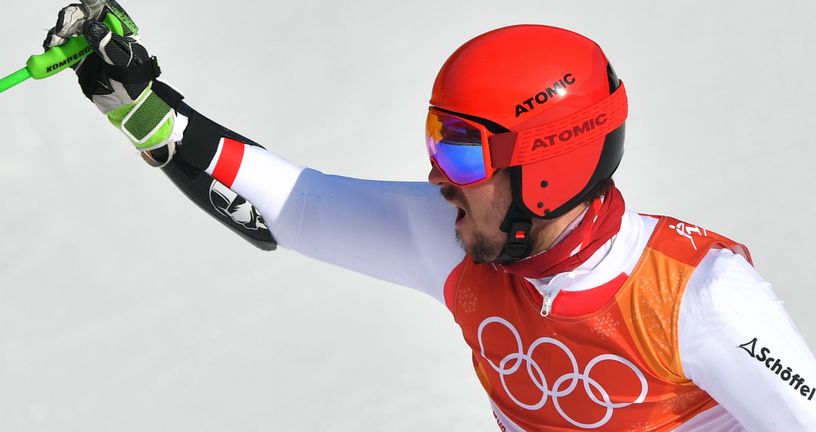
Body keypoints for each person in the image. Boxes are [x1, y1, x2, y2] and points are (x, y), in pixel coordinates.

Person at [43, 1, 816, 431]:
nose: (437, 180)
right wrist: (142, 109)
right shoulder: (463, 249)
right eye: (435, 144)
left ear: (545, 168)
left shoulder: (701, 297)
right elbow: (296, 204)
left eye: (463, 155)